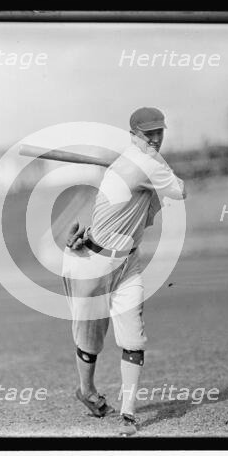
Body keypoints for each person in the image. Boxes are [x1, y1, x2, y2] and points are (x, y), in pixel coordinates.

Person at [62, 107, 187, 436]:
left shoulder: (137, 163)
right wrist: (155, 166)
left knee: (133, 337)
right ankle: (86, 391)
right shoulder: (143, 164)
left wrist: (149, 164)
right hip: (91, 262)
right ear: (134, 136)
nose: (156, 139)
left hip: (127, 263)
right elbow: (180, 189)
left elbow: (168, 193)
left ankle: (129, 413)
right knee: (90, 341)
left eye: (160, 132)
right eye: (149, 135)